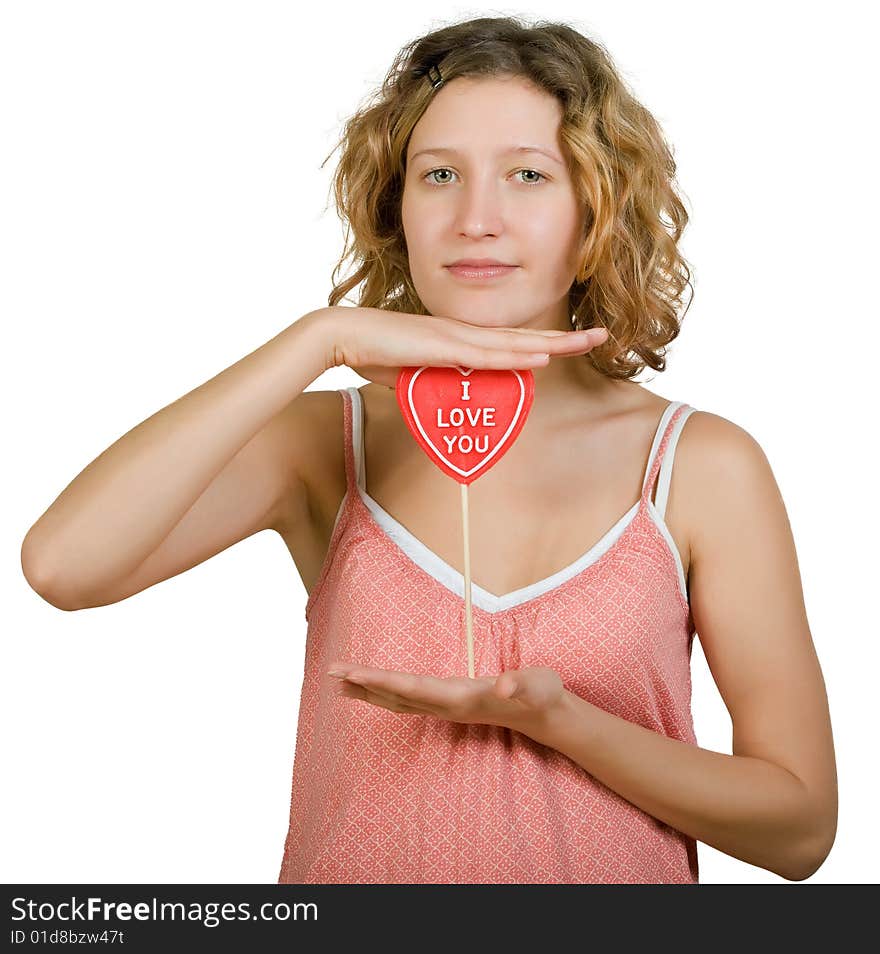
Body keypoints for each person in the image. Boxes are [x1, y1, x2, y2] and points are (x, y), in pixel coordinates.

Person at [20, 15, 837, 884]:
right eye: (439, 174)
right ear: (394, 205)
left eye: (528, 175)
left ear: (596, 207)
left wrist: (561, 724)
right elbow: (65, 566)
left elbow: (797, 831)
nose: (476, 219)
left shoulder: (696, 465)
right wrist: (318, 339)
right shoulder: (327, 444)